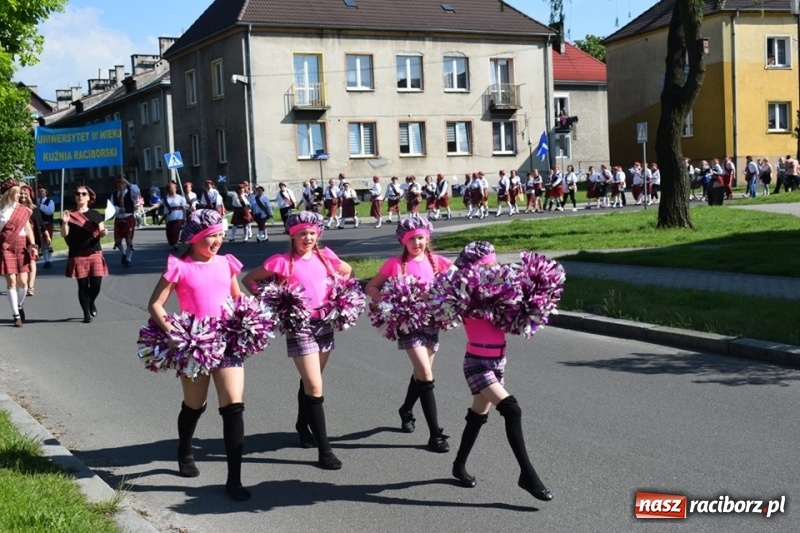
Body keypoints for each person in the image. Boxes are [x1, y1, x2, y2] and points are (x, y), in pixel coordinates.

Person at [147, 209, 251, 501]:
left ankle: (234, 479)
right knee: (195, 404)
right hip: (194, 345)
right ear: (194, 238)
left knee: (234, 405)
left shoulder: (226, 264)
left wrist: (248, 315)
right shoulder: (179, 267)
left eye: (220, 234)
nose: (217, 240)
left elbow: (237, 297)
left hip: (228, 342)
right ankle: (184, 449)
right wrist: (174, 332)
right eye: (210, 236)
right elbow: (155, 304)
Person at [241, 211, 352, 470]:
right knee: (315, 385)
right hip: (299, 326)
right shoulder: (281, 261)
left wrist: (339, 293)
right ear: (293, 235)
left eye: (312, 233)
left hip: (325, 323)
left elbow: (347, 271)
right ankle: (325, 451)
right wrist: (274, 300)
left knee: (311, 381)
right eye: (303, 233)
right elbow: (249, 280)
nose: (308, 238)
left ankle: (303, 424)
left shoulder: (326, 257)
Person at [448, 241, 553, 502]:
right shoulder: (467, 295)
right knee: (511, 409)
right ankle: (527, 475)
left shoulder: (502, 292)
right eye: (487, 266)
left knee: (478, 413)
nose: (493, 269)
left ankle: (458, 466)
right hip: (477, 362)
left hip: (499, 361)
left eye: (495, 264)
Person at [365, 217, 452, 453]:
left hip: (432, 323)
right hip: (407, 324)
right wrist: (388, 302)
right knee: (425, 373)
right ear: (403, 241)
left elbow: (459, 284)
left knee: (421, 374)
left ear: (427, 238)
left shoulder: (440, 262)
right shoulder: (394, 264)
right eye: (411, 238)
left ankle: (406, 409)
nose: (417, 242)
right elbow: (371, 287)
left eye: (421, 237)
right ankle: (435, 435)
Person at [60, 185, 108, 324]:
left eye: (83, 194)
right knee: (82, 285)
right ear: (75, 197)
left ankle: (91, 301)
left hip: (94, 252)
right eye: (77, 194)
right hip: (77, 254)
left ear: (88, 197)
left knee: (96, 285)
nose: (80, 196)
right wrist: (64, 222)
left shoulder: (95, 214)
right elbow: (64, 234)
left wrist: (104, 233)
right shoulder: (69, 214)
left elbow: (102, 231)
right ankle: (86, 314)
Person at [0, 181, 38, 327]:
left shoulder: (23, 210)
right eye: (17, 193)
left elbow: (28, 228)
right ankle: (16, 315)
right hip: (6, 247)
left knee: (23, 282)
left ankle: (20, 305)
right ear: (9, 193)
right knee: (12, 282)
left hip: (21, 246)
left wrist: (33, 244)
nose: (19, 195)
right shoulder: (1, 211)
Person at [19, 185, 49, 296]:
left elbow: (40, 223)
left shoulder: (34, 208)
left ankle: (30, 286)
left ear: (29, 195)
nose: (23, 195)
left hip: (33, 239)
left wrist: (47, 235)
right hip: (19, 239)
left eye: (25, 193)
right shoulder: (15, 208)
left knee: (31, 261)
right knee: (23, 263)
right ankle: (24, 284)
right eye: (21, 193)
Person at [111, 176, 141, 267]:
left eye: (122, 183)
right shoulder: (114, 194)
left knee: (128, 239)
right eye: (119, 184)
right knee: (118, 241)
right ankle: (123, 253)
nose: (120, 185)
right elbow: (111, 207)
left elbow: (137, 192)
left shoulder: (130, 192)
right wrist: (119, 209)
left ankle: (128, 258)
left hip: (129, 218)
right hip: (119, 218)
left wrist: (128, 183)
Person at [163, 181, 187, 250]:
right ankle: (172, 243)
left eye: (173, 188)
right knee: (169, 232)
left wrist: (184, 218)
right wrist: (150, 208)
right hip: (170, 217)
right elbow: (159, 204)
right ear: (168, 189)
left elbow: (184, 208)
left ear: (176, 189)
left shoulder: (180, 198)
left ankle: (175, 243)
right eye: (170, 188)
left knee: (176, 231)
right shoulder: (166, 198)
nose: (172, 189)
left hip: (179, 217)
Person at [36, 185, 55, 268]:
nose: (41, 193)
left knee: (47, 241)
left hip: (47, 224)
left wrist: (40, 206)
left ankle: (49, 260)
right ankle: (45, 259)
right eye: (39, 191)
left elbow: (50, 211)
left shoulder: (50, 201)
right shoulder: (35, 201)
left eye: (42, 191)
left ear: (46, 192)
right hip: (38, 224)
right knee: (41, 242)